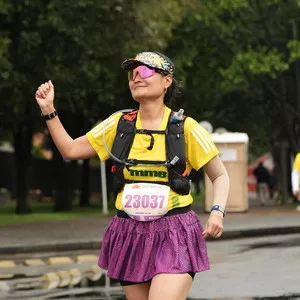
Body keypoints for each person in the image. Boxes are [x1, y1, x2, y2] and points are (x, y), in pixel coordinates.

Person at [35, 51, 230, 300]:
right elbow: (71, 149)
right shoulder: (119, 124)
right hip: (129, 232)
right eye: (132, 73)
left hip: (174, 232)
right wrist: (49, 110)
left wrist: (217, 211)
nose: (136, 77)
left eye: (146, 71)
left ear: (166, 81)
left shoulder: (186, 128)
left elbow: (220, 176)